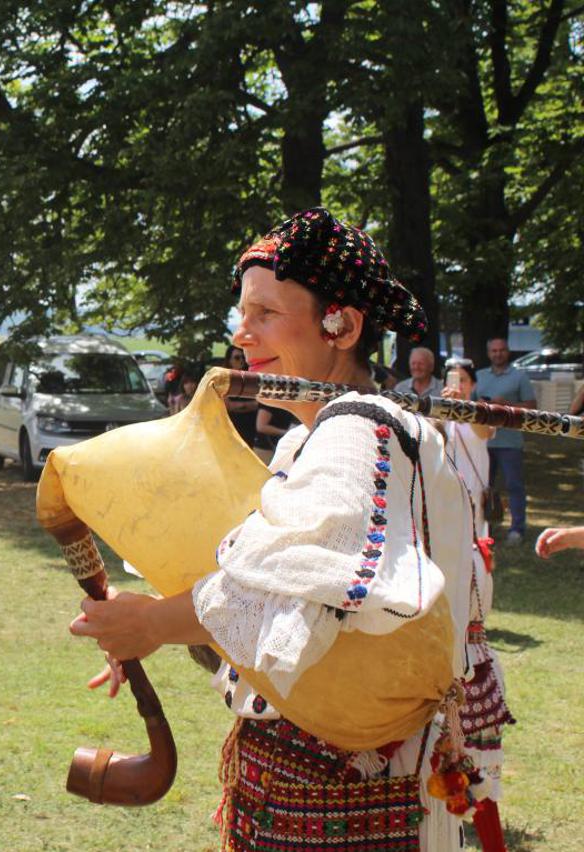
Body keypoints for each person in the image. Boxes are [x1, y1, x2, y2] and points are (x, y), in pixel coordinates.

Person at [70, 208, 476, 851]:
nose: (241, 334)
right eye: (241, 313)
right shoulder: (307, 440)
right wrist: (153, 621)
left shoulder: (356, 428)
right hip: (317, 783)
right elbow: (270, 604)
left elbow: (306, 584)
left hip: (346, 790)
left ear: (341, 325)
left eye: (264, 313)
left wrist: (153, 623)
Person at [441, 359, 514, 847]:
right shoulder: (436, 417)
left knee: (475, 616)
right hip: (446, 527)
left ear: (472, 383)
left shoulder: (478, 413)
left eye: (463, 379)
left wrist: (463, 403)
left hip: (473, 529)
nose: (457, 386)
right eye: (454, 380)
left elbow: (485, 428)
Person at [475, 338, 536, 544]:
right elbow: (469, 405)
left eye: (501, 350)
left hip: (510, 441)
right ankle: (485, 528)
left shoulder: (520, 376)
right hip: (483, 441)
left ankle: (517, 529)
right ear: (488, 353)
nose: (498, 354)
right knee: (483, 487)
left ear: (508, 352)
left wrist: (506, 404)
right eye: (494, 350)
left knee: (514, 486)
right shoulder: (479, 376)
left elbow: (532, 408)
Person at [224, 346, 258, 447]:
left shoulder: (252, 378)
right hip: (231, 431)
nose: (242, 361)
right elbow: (228, 405)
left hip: (251, 431)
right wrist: (252, 405)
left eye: (243, 357)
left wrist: (241, 406)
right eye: (237, 358)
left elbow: (261, 403)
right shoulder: (224, 379)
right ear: (229, 361)